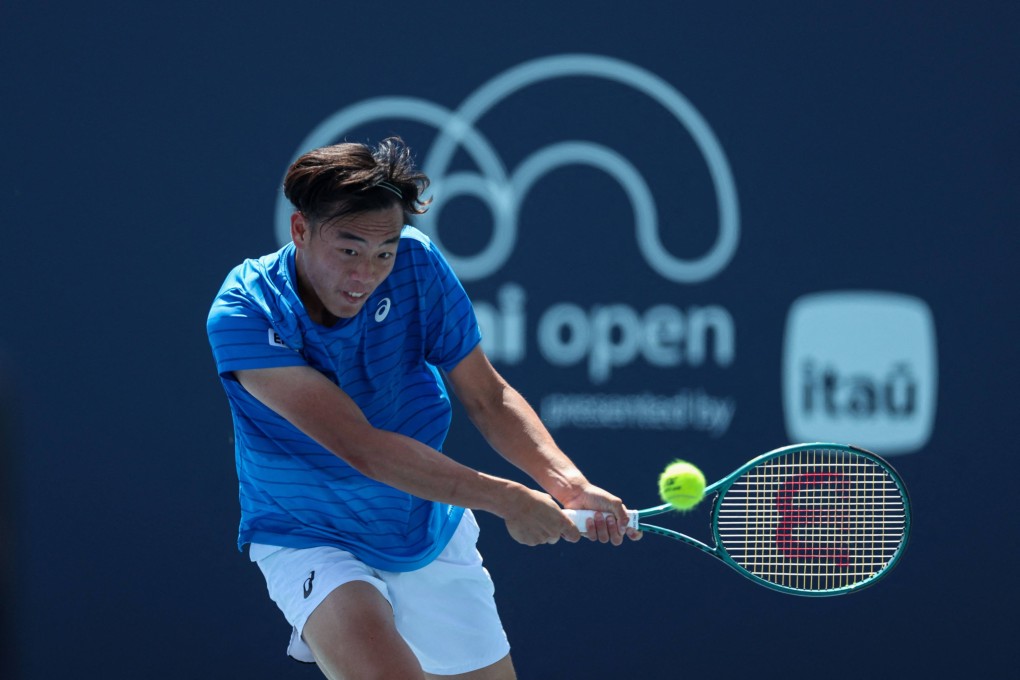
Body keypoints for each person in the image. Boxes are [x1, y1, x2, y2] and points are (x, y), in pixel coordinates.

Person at [207, 137, 640, 679]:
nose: (366, 274)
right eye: (349, 250)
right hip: (309, 533)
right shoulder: (246, 311)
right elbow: (361, 447)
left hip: (424, 525)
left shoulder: (418, 266)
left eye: (384, 252)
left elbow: (489, 396)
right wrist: (508, 499)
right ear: (300, 230)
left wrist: (568, 484)